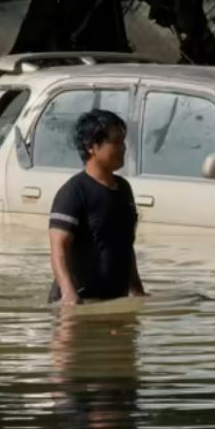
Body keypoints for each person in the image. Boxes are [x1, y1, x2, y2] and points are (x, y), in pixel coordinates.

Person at [48, 109, 146, 305]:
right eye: (116, 142)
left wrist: (137, 291)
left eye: (123, 141)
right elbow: (58, 250)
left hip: (115, 302)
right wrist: (69, 295)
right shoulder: (74, 192)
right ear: (92, 146)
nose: (123, 148)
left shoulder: (124, 189)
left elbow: (125, 246)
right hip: (82, 303)